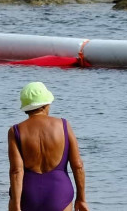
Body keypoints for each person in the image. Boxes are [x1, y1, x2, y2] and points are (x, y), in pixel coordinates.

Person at [8, 82, 88, 211]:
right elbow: (78, 165)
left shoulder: (15, 131)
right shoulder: (64, 125)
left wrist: (16, 205)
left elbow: (16, 171)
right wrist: (81, 199)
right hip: (59, 193)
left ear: (26, 108)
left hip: (28, 195)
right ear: (46, 104)